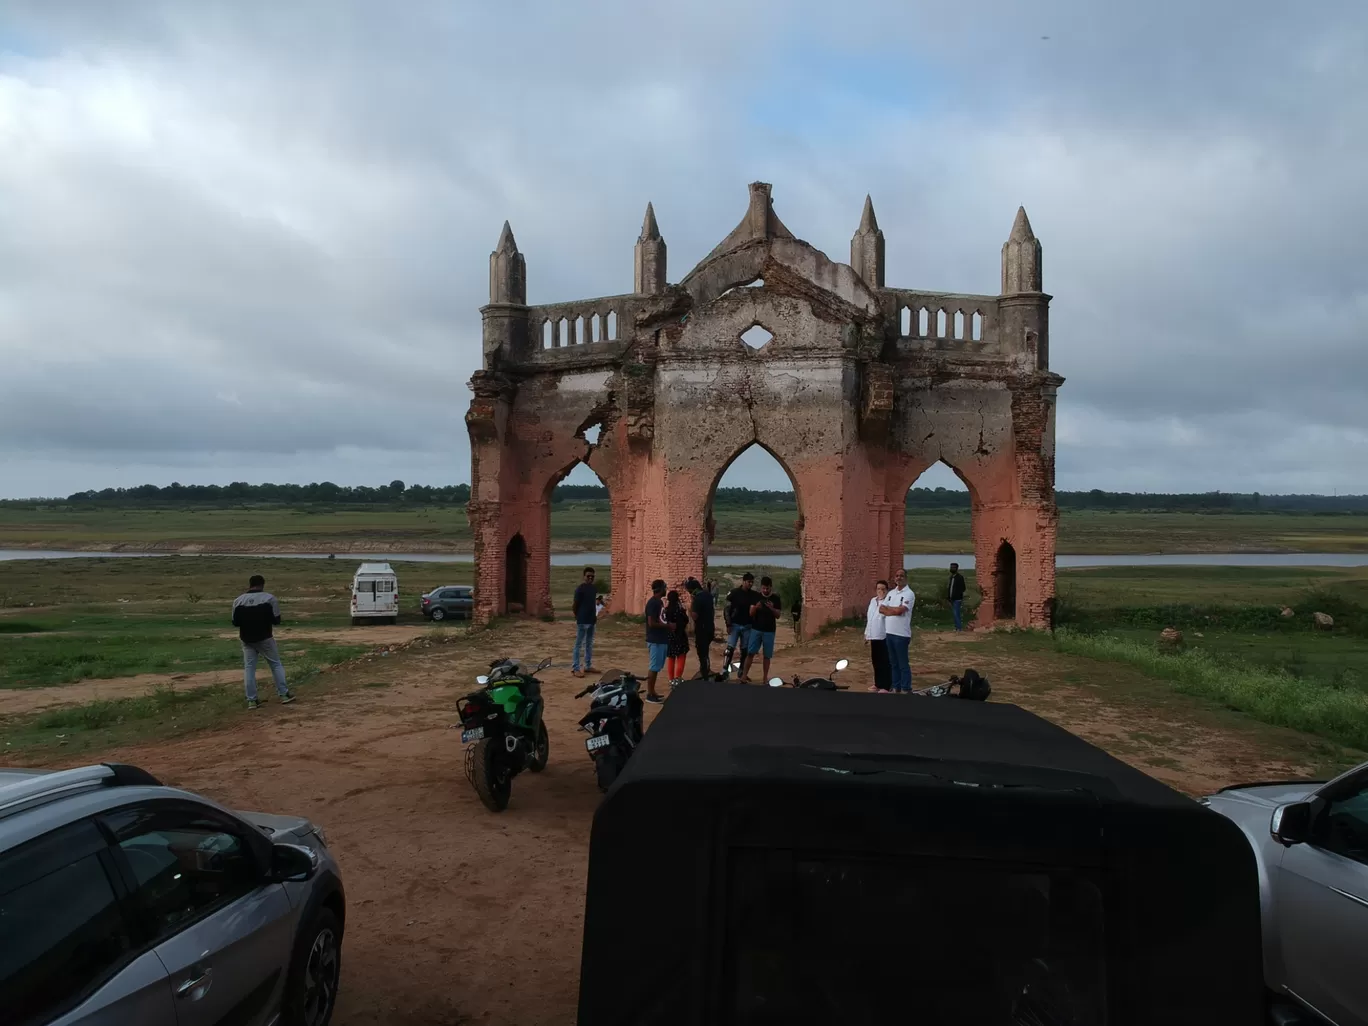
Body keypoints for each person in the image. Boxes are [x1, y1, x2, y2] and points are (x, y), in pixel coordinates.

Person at [231, 574, 295, 709]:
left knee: (249, 668)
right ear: (262, 585)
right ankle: (283, 694)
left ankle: (252, 701)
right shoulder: (269, 598)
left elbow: (235, 622)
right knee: (275, 665)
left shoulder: (238, 600)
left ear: (250, 585)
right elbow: (276, 620)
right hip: (265, 637)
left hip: (246, 639)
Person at [879, 568, 915, 693]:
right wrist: (892, 611)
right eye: (897, 575)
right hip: (889, 632)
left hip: (901, 634)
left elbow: (901, 611)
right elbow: (882, 609)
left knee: (903, 663)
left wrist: (890, 610)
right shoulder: (891, 593)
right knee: (893, 663)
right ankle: (896, 687)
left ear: (906, 578)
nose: (899, 578)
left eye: (901, 575)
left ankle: (906, 688)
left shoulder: (909, 593)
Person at [742, 576, 782, 684]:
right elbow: (751, 613)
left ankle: (765, 678)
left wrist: (772, 608)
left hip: (769, 631)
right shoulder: (756, 597)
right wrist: (756, 607)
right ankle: (744, 676)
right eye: (763, 588)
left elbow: (778, 615)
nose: (765, 590)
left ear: (771, 587)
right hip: (756, 629)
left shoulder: (776, 598)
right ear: (761, 587)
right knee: (750, 653)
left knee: (767, 656)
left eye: (767, 588)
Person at [643, 579, 670, 703]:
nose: (666, 589)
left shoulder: (658, 602)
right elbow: (651, 623)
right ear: (660, 589)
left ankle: (653, 692)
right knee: (654, 667)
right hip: (656, 640)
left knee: (657, 667)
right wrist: (668, 626)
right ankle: (650, 694)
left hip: (660, 639)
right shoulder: (653, 603)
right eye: (665, 587)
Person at [724, 573, 756, 675]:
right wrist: (728, 624)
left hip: (748, 625)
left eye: (752, 582)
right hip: (735, 625)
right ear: (743, 581)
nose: (750, 584)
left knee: (745, 650)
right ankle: (725, 670)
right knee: (730, 648)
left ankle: (742, 670)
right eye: (748, 582)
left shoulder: (753, 595)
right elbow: (727, 610)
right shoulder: (734, 593)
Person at [571, 566, 599, 678]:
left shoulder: (593, 588)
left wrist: (594, 616)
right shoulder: (580, 589)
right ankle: (575, 668)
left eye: (592, 576)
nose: (590, 578)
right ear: (584, 577)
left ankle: (587, 665)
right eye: (588, 576)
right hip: (582, 620)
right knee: (578, 645)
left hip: (591, 620)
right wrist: (578, 616)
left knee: (589, 644)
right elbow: (575, 605)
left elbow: (592, 603)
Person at [865, 580, 891, 692]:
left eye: (883, 589)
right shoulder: (872, 601)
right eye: (878, 589)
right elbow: (869, 618)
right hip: (873, 634)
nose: (880, 591)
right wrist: (866, 634)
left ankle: (886, 685)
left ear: (887, 590)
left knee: (884, 661)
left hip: (883, 635)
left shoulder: (888, 602)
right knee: (875, 661)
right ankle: (877, 683)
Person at [687, 577, 715, 678]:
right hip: (710, 627)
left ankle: (704, 673)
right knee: (706, 651)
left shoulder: (697, 599)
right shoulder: (708, 595)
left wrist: (690, 607)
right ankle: (707, 669)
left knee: (702, 652)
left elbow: (694, 616)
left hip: (701, 629)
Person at [664, 589, 690, 689]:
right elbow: (685, 621)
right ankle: (677, 679)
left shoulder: (666, 610)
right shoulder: (679, 610)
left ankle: (671, 679)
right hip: (680, 636)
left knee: (671, 657)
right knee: (681, 657)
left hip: (670, 637)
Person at [948, 562, 967, 631]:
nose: (951, 569)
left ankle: (959, 628)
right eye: (951, 567)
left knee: (956, 613)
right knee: (955, 614)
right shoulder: (951, 577)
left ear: (956, 568)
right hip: (952, 599)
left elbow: (963, 588)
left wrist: (957, 594)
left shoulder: (959, 577)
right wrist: (949, 598)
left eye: (953, 567)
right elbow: (950, 588)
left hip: (957, 599)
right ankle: (956, 627)